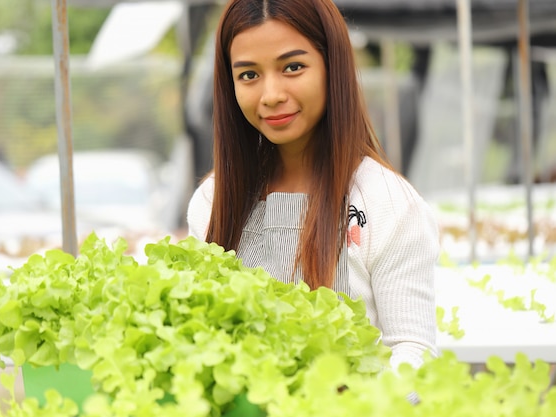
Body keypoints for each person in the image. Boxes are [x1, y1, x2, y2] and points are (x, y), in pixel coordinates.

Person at [186, 0, 440, 370]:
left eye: (293, 67)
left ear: (332, 66)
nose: (271, 94)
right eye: (249, 75)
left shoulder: (387, 203)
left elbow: (412, 349)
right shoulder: (214, 199)